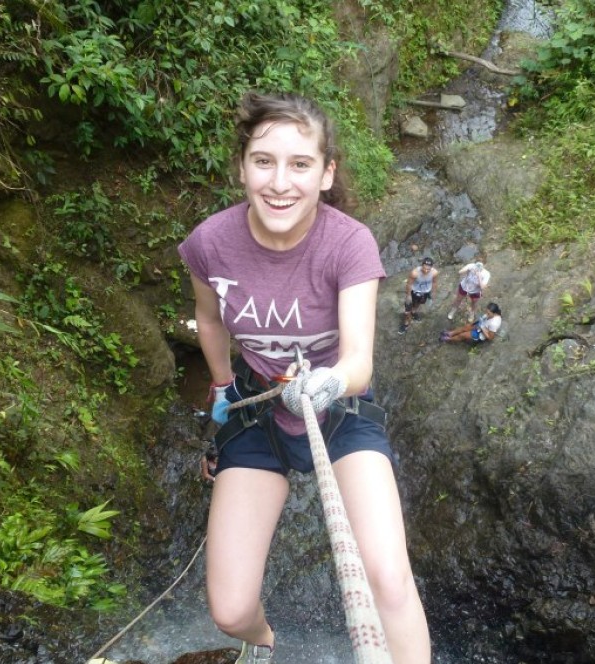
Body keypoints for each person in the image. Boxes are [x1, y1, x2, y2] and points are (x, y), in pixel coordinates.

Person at [177, 91, 431, 664]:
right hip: (259, 409)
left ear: (325, 174)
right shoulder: (210, 243)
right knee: (230, 611)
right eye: (263, 161)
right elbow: (209, 320)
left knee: (389, 580)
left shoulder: (347, 243)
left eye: (300, 164)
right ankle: (265, 645)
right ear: (242, 167)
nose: (279, 182)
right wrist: (222, 386)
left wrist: (328, 381)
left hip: (340, 411)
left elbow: (359, 360)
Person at [399, 256, 438, 334]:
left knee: (418, 304)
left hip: (425, 292)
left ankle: (414, 312)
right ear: (421, 265)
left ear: (431, 268)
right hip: (414, 292)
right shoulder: (415, 273)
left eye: (428, 269)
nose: (426, 271)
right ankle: (406, 323)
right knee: (407, 311)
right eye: (424, 268)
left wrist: (433, 292)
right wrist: (408, 295)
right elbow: (409, 284)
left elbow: (434, 282)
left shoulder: (434, 273)